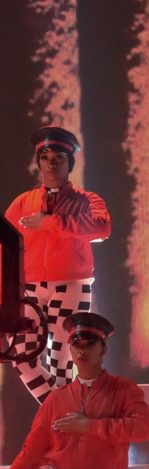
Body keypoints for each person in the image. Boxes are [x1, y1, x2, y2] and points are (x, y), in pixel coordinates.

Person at [0, 313, 149, 469]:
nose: (82, 349)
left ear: (103, 348)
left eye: (90, 344)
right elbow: (32, 449)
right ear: (70, 348)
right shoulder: (57, 398)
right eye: (76, 343)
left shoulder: (125, 389)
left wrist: (90, 426)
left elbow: (143, 428)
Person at [4, 127, 111, 403]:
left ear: (70, 163)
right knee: (22, 358)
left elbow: (102, 228)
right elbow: (4, 251)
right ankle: (61, 411)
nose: (51, 162)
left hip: (72, 284)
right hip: (27, 290)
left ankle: (61, 422)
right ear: (38, 161)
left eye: (59, 157)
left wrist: (52, 223)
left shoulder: (87, 200)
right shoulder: (22, 203)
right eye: (45, 156)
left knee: (62, 362)